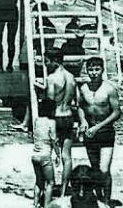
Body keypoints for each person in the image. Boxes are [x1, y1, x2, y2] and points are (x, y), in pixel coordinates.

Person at [77, 57, 122, 206]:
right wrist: (83, 121)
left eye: (97, 69)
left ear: (102, 70)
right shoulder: (83, 88)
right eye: (91, 69)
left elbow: (116, 113)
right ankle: (99, 199)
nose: (94, 73)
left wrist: (98, 127)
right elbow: (81, 107)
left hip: (105, 132)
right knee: (95, 169)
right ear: (87, 70)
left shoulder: (109, 89)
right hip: (90, 132)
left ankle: (107, 199)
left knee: (104, 169)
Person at [43, 48, 78, 196]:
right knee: (67, 156)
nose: (45, 65)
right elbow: (76, 101)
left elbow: (50, 100)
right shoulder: (71, 77)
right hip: (68, 116)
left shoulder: (52, 78)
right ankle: (64, 191)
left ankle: (49, 187)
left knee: (48, 153)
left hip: (55, 117)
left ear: (55, 61)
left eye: (47, 62)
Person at [32, 99, 61, 208]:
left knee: (39, 182)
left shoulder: (37, 121)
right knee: (50, 183)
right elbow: (53, 139)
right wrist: (58, 154)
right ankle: (47, 205)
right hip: (45, 156)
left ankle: (35, 204)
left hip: (35, 155)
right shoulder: (51, 122)